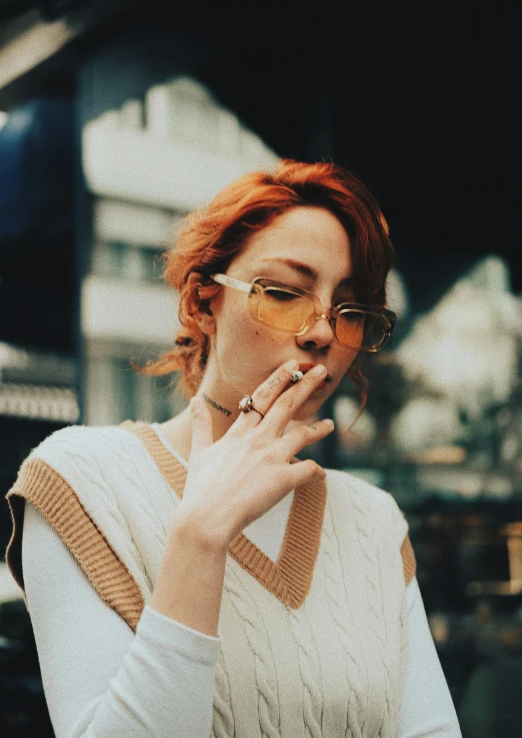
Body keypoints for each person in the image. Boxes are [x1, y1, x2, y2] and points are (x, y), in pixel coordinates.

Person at [5, 159, 462, 737]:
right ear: (203, 302)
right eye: (284, 292)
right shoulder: (82, 481)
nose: (322, 331)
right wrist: (200, 533)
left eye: (349, 310)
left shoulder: (373, 522)